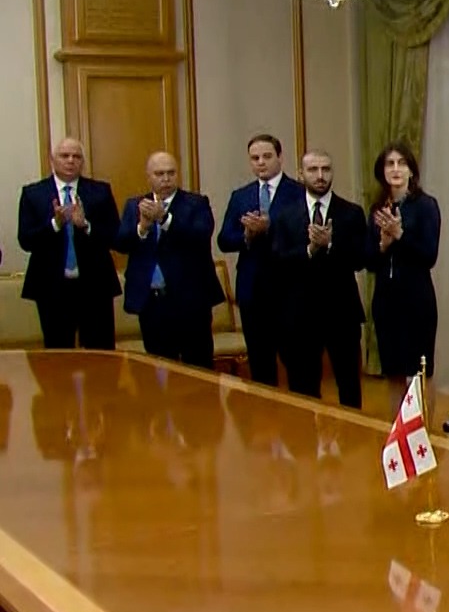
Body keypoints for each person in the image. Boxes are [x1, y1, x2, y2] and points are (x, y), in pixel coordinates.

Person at [272, 150, 367, 408]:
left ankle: (351, 430)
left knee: (349, 384)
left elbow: (361, 259)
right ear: (301, 174)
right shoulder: (285, 216)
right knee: (303, 387)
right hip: (300, 314)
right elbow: (278, 260)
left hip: (342, 311)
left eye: (326, 169)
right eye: (313, 170)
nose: (320, 175)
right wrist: (310, 250)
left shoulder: (351, 212)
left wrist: (331, 245)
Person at [115, 152, 226, 368]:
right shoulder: (134, 205)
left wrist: (164, 219)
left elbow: (200, 235)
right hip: (152, 303)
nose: (166, 179)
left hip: (191, 302)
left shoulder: (196, 203)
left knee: (198, 367)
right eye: (159, 174)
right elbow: (120, 243)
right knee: (159, 368)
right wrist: (142, 228)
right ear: (149, 176)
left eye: (171, 173)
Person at [16, 137, 122, 348]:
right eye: (64, 156)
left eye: (76, 157)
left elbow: (115, 237)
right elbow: (26, 240)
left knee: (101, 354)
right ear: (52, 160)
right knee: (58, 354)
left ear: (83, 162)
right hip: (51, 287)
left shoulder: (100, 192)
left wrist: (86, 225)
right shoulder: (33, 194)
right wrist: (55, 224)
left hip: (95, 286)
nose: (71, 161)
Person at [218, 134, 304, 386]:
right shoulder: (241, 196)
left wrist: (270, 228)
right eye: (255, 158)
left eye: (267, 156)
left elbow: (304, 235)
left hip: (289, 290)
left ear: (280, 157)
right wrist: (246, 235)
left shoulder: (299, 193)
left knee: (297, 363)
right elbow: (224, 239)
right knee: (260, 364)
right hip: (253, 292)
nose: (261, 162)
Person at [365, 142, 441, 385]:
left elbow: (429, 256)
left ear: (411, 171)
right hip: (386, 302)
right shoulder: (377, 209)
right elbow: (369, 262)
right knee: (393, 372)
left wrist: (400, 235)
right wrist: (383, 245)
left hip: (416, 300)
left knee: (420, 374)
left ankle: (422, 413)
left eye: (402, 163)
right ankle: (396, 414)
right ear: (382, 171)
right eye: (390, 164)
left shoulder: (426, 206)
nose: (396, 169)